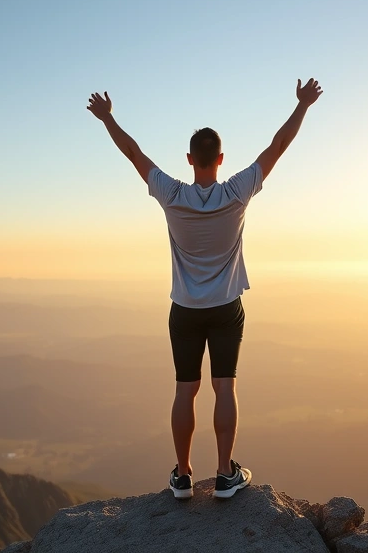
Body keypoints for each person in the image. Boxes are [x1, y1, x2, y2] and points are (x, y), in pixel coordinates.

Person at [86, 79, 323, 499]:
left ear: (190, 159)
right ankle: (225, 474)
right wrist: (302, 105)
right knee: (224, 387)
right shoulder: (237, 192)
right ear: (221, 159)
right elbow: (278, 145)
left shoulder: (172, 194)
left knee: (185, 389)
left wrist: (107, 118)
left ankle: (182, 476)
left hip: (184, 310)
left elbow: (133, 153)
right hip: (227, 307)